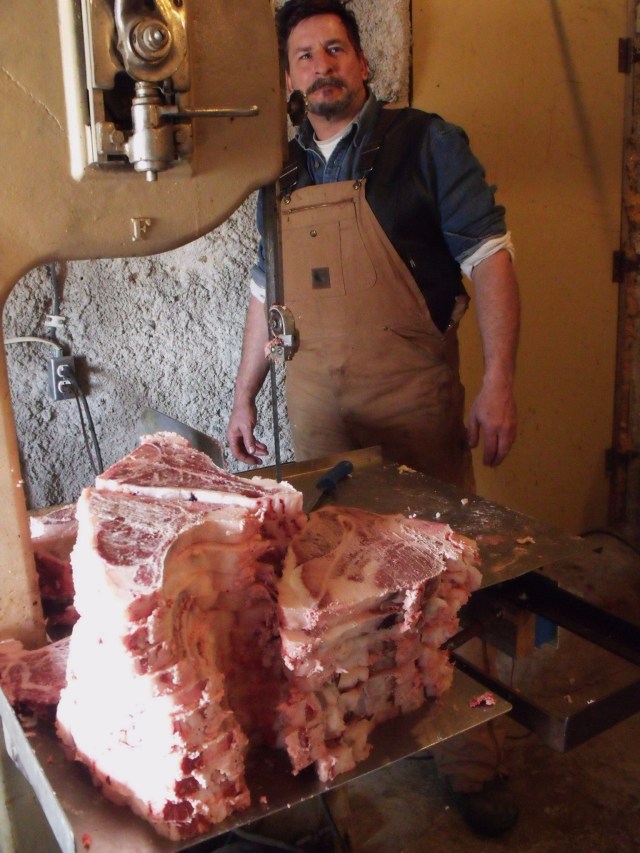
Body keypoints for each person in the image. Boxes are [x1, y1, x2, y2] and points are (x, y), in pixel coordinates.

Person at [227, 0, 520, 841]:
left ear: (362, 62)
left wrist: (498, 380)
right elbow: (265, 293)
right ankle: (345, 757)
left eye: (334, 49)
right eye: (304, 55)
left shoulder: (426, 143)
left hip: (411, 399)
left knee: (444, 580)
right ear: (288, 77)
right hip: (317, 407)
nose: (321, 66)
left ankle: (473, 760)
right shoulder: (276, 171)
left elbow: (490, 262)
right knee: (332, 592)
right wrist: (244, 392)